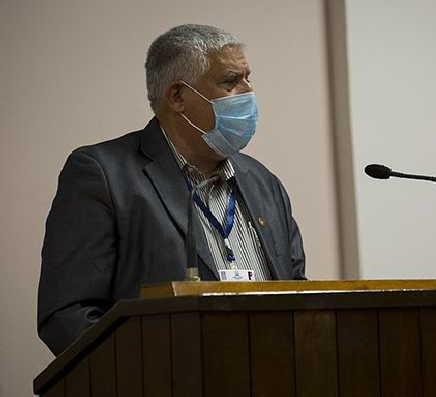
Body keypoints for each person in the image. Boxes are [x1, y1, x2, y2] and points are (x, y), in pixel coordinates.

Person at [37, 24, 306, 356]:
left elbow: (298, 295)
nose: (248, 92)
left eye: (248, 78)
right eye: (231, 81)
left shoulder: (263, 182)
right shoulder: (103, 174)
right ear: (178, 96)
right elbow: (67, 314)